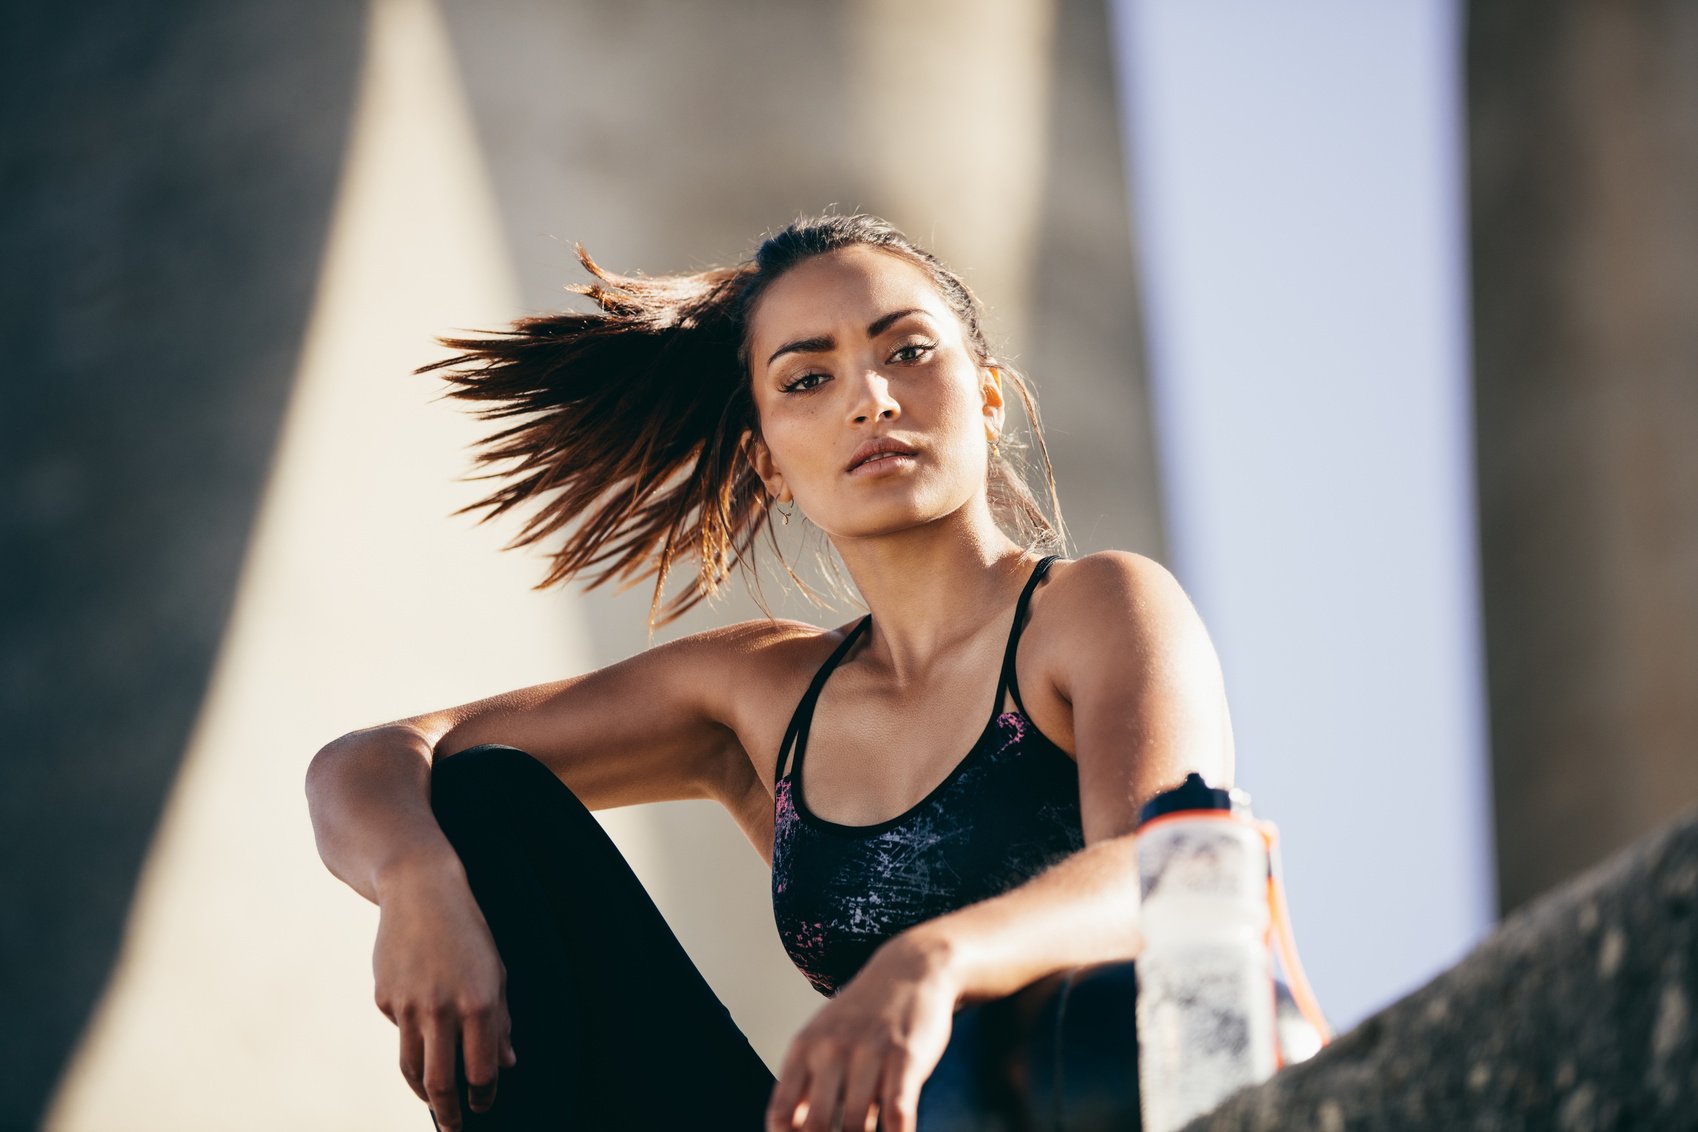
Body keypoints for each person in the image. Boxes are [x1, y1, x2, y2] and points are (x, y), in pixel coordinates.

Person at [304, 213, 1238, 1131]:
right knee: (477, 801)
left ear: (988, 398)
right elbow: (373, 760)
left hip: (1087, 1091)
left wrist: (931, 962)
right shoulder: (760, 691)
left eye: (908, 352)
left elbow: (1168, 873)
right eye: (808, 379)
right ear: (771, 464)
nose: (870, 399)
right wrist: (414, 877)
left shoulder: (1093, 608)